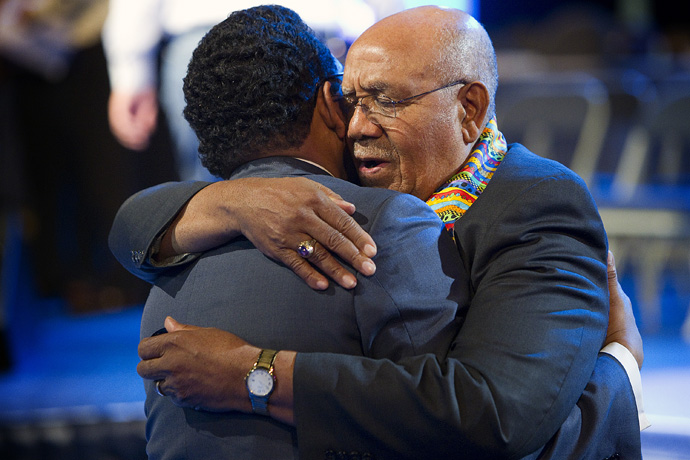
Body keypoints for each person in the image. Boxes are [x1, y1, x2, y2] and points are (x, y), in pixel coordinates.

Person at [110, 5, 647, 460]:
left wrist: (254, 375)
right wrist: (232, 201)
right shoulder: (311, 204)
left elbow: (498, 415)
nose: (358, 125)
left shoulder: (535, 203)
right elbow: (130, 226)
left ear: (470, 109)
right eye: (350, 101)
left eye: (387, 101)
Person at [110, 5, 473, 459]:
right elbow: (451, 418)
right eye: (350, 97)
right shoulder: (384, 224)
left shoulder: (166, 260)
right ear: (328, 103)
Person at [101, 0, 376, 181]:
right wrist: (131, 72)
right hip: (215, 44)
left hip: (335, 39)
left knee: (341, 174)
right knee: (217, 187)